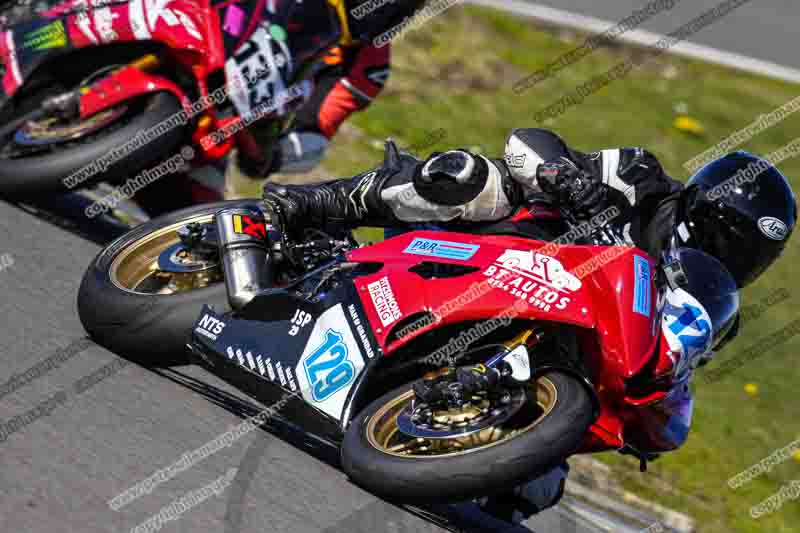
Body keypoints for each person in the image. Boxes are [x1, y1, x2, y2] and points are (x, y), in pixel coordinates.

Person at [262, 128, 796, 521]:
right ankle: (316, 202)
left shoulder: (706, 304)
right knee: (469, 177)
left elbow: (665, 376)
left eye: (751, 257)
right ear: (698, 211)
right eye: (728, 240)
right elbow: (529, 143)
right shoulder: (641, 180)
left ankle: (438, 445)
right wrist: (563, 177)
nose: (733, 260)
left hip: (548, 354)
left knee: (535, 490)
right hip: (492, 253)